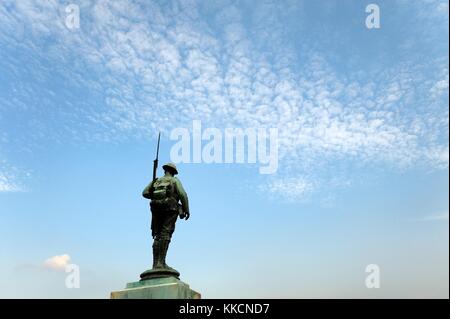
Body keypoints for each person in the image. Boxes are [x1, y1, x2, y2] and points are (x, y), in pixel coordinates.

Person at [142, 162, 190, 270]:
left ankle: (155, 264)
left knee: (157, 235)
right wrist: (186, 209)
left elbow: (144, 193)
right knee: (166, 233)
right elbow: (182, 194)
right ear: (173, 172)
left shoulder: (156, 181)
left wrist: (155, 196)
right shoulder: (174, 180)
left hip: (155, 207)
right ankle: (161, 263)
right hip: (170, 208)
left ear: (165, 170)